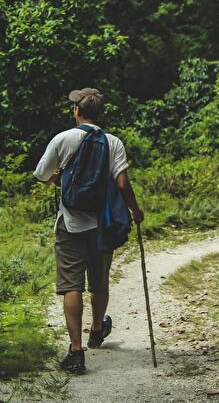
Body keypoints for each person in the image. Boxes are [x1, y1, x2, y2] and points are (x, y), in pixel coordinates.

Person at [34, 87, 144, 373]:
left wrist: (65, 181)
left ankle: (76, 351)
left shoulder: (63, 139)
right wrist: (135, 210)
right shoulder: (113, 142)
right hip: (102, 224)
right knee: (99, 281)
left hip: (70, 223)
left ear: (76, 111)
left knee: (72, 285)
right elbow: (121, 184)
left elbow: (41, 175)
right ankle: (96, 331)